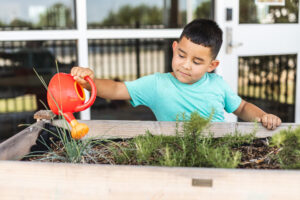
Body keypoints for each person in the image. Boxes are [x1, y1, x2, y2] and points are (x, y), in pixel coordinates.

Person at [71, 19, 281, 130]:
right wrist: (88, 82)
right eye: (182, 55)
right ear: (174, 48)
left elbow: (242, 107)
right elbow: (118, 89)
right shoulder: (157, 85)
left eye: (197, 61)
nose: (186, 65)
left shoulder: (217, 84)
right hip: (175, 156)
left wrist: (263, 116)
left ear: (212, 65)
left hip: (219, 153)